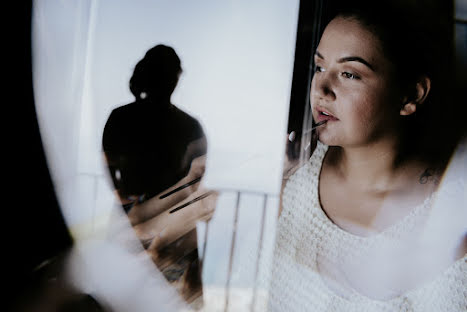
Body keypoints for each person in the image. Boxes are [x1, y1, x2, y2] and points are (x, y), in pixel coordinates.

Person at [268, 1, 467, 311]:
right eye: (319, 67)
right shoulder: (291, 173)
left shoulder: (449, 218)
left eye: (349, 74)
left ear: (411, 95)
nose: (321, 89)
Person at [102, 44, 215, 306]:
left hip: (129, 221)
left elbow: (109, 169)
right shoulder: (189, 126)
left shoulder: (120, 118)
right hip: (168, 226)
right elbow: (195, 182)